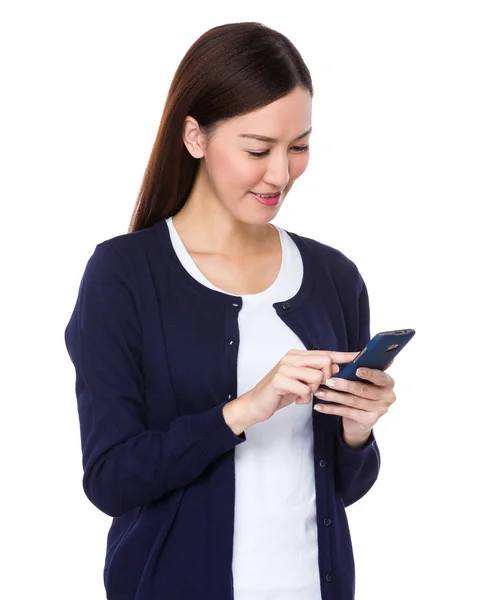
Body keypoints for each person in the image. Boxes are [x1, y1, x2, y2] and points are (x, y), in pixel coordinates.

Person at [64, 21, 397, 600]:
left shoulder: (334, 278)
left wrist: (356, 431)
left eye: (299, 147)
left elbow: (345, 487)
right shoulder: (124, 275)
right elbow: (111, 479)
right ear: (194, 136)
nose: (281, 173)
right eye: (257, 149)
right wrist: (243, 410)